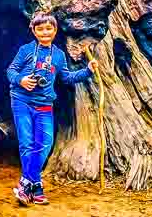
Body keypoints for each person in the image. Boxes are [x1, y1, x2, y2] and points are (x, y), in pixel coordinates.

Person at [6, 12, 99, 206]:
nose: (45, 32)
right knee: (27, 143)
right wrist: (21, 80)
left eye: (49, 28)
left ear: (55, 30)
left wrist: (88, 70)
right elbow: (11, 70)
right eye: (40, 29)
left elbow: (66, 78)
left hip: (44, 104)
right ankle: (36, 187)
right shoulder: (26, 50)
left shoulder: (58, 55)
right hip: (21, 101)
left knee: (45, 144)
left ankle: (27, 183)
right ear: (33, 30)